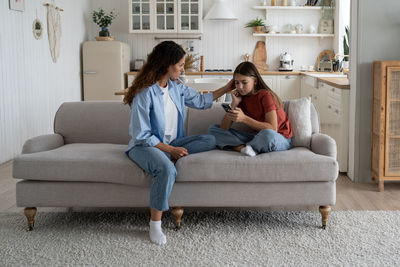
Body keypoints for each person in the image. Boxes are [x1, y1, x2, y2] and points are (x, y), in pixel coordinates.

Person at [123, 41, 233, 245]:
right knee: (166, 170)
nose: (183, 69)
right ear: (167, 64)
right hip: (145, 146)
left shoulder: (176, 88)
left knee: (209, 139)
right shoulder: (144, 93)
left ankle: (168, 155)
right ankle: (155, 225)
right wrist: (170, 150)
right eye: (180, 65)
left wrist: (227, 87)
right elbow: (141, 134)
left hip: (173, 143)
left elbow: (201, 101)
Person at [208, 61, 292, 157]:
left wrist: (244, 118)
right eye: (237, 83)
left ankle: (242, 146)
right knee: (213, 129)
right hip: (256, 138)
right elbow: (224, 129)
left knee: (268, 135)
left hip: (279, 138)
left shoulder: (265, 95)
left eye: (244, 82)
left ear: (255, 81)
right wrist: (234, 104)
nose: (240, 87)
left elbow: (273, 129)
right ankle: (243, 148)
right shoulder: (241, 97)